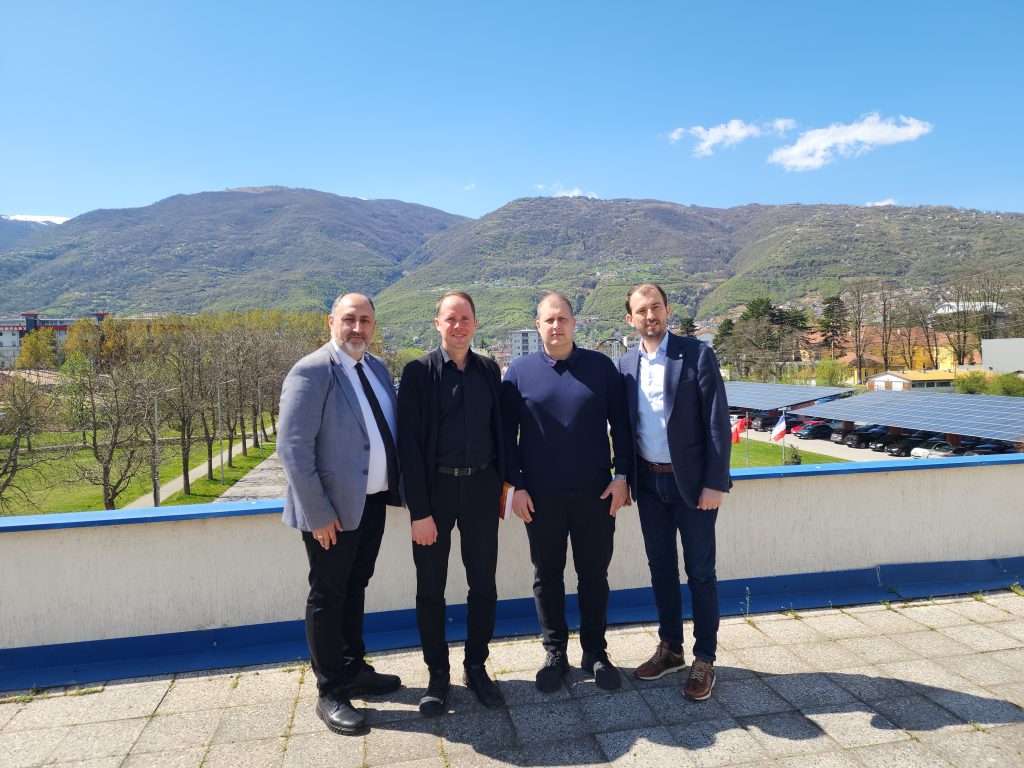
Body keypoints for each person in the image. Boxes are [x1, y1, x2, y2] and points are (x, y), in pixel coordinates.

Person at [277, 292, 402, 736]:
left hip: (370, 504)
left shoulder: (376, 367)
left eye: (365, 321)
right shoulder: (312, 371)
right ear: (331, 321)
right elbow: (292, 448)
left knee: (356, 586)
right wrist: (318, 514)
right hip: (330, 511)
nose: (357, 328)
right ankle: (330, 690)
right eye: (349, 319)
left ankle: (353, 667)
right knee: (328, 595)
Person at [500, 292, 633, 692]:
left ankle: (595, 652)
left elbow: (623, 427)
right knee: (548, 576)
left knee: (594, 576)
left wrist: (623, 476)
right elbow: (505, 437)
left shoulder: (601, 367)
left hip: (596, 494)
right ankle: (554, 652)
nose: (556, 326)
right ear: (537, 325)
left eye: (562, 319)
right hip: (540, 498)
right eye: (548, 320)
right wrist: (515, 486)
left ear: (574, 322)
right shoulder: (518, 372)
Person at [618, 283, 731, 701]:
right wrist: (625, 477)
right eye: (642, 311)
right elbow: (625, 429)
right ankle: (671, 649)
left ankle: (705, 658)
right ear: (630, 319)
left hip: (693, 487)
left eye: (657, 308)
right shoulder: (626, 364)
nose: (651, 316)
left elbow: (718, 422)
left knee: (700, 573)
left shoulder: (697, 354)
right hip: (648, 484)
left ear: (668, 310)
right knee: (661, 569)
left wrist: (715, 482)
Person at [397, 291, 506, 716]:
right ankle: (437, 674)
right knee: (430, 589)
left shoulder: (488, 371)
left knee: (484, 585)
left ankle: (475, 666)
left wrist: (502, 487)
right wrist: (419, 512)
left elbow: (500, 434)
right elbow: (408, 447)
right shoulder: (418, 373)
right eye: (450, 319)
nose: (458, 326)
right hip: (435, 495)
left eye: (465, 318)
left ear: (475, 323)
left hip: (481, 490)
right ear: (437, 324)